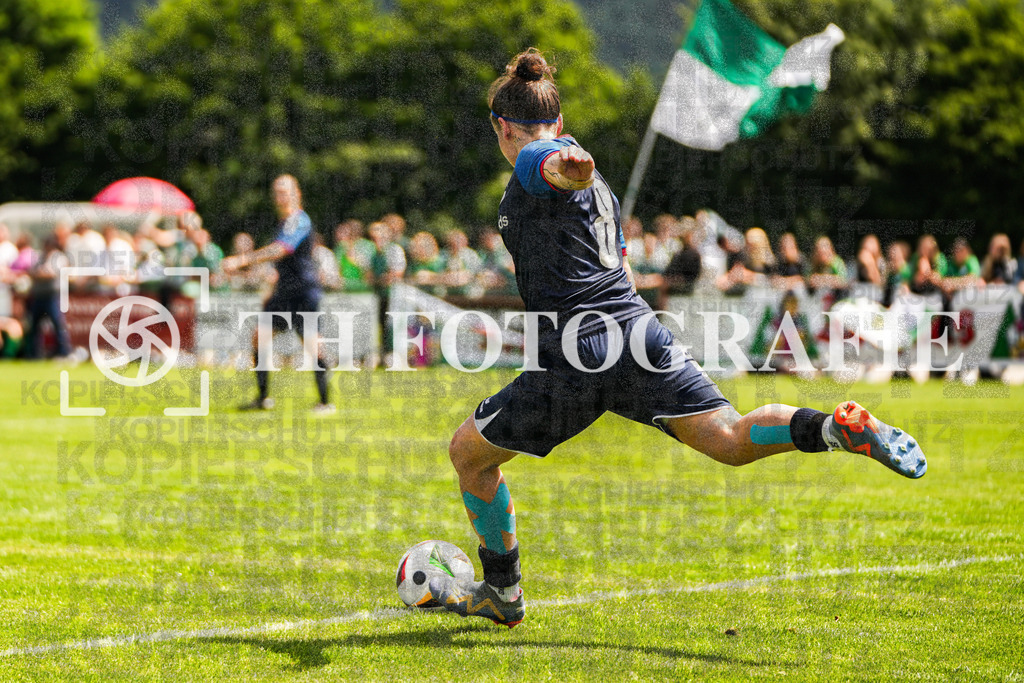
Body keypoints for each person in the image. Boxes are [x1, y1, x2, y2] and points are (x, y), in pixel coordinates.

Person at [425, 49, 928, 629]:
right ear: (558, 119)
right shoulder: (599, 186)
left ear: (501, 127)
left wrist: (563, 163)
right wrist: (572, 165)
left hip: (580, 350)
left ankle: (502, 591)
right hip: (639, 331)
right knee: (730, 437)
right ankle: (835, 428)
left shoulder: (542, 161)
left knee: (469, 456)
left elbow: (548, 160)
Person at [222, 174, 334, 414]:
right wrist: (271, 286)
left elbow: (281, 250)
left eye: (285, 191)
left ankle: (325, 402)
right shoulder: (284, 223)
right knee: (259, 337)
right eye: (277, 192)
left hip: (303, 292)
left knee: (313, 346)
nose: (280, 197)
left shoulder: (299, 220)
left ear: (297, 194)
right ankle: (263, 398)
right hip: (284, 292)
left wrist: (242, 260)